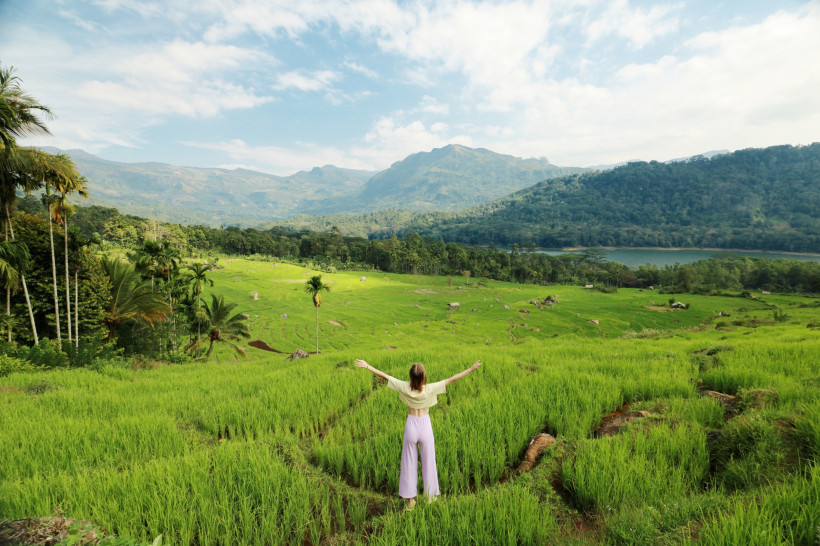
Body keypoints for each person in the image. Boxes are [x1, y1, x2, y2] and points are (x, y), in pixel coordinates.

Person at [355, 358, 482, 510]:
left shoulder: (404, 387)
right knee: (429, 462)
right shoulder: (430, 389)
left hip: (411, 425)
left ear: (411, 377)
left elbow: (385, 376)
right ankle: (429, 497)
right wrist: (470, 369)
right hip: (425, 425)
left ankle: (410, 502)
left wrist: (368, 365)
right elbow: (452, 379)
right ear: (423, 377)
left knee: (409, 463)